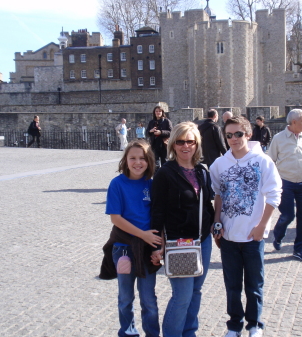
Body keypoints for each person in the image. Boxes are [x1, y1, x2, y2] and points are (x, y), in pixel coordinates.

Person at [210, 116, 282, 337]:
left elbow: (274, 195)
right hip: (229, 237)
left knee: (254, 285)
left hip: (253, 236)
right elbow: (218, 195)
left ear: (248, 135)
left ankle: (255, 324)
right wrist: (216, 223)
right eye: (229, 135)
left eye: (238, 134)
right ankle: (234, 325)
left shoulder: (263, 162)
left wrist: (262, 225)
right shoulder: (219, 164)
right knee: (232, 286)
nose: (233, 139)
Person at [150, 122, 214, 337]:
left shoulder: (201, 171)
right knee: (182, 295)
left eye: (190, 141)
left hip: (202, 240)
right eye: (180, 141)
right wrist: (157, 246)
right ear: (173, 144)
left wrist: (215, 227)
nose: (185, 146)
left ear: (197, 144)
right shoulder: (165, 173)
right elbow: (157, 212)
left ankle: (189, 332)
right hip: (179, 242)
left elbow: (207, 205)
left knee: (196, 291)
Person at [100, 140, 162, 337]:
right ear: (125, 160)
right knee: (126, 297)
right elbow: (115, 218)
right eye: (133, 158)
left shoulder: (152, 185)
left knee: (148, 299)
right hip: (124, 248)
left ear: (149, 161)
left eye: (142, 158)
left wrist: (157, 247)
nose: (138, 162)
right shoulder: (117, 184)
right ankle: (127, 332)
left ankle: (152, 333)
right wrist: (142, 234)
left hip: (148, 249)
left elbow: (159, 217)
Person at [268, 109, 302, 262]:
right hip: (286, 183)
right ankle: (278, 235)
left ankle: (300, 249)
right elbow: (270, 161)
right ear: (294, 122)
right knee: (288, 215)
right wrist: (276, 181)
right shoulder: (278, 138)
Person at [147, 106, 173, 170]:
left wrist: (161, 132)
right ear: (154, 112)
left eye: (159, 111)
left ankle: (165, 178)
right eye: (156, 111)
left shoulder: (166, 121)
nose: (158, 112)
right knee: (155, 164)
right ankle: (157, 178)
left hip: (164, 145)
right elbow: (147, 133)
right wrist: (151, 131)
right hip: (154, 145)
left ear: (162, 112)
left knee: (165, 163)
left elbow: (171, 132)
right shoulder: (151, 122)